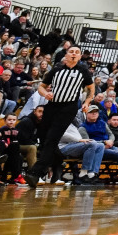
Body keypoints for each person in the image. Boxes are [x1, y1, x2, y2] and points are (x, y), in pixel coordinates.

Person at [24, 44, 95, 187]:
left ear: (80, 56)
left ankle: (35, 173)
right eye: (71, 52)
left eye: (77, 52)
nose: (74, 54)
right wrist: (46, 94)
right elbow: (41, 87)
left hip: (68, 108)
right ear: (66, 55)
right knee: (43, 139)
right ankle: (58, 161)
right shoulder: (56, 69)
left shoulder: (83, 71)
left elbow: (91, 90)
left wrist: (87, 102)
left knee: (51, 139)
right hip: (51, 106)